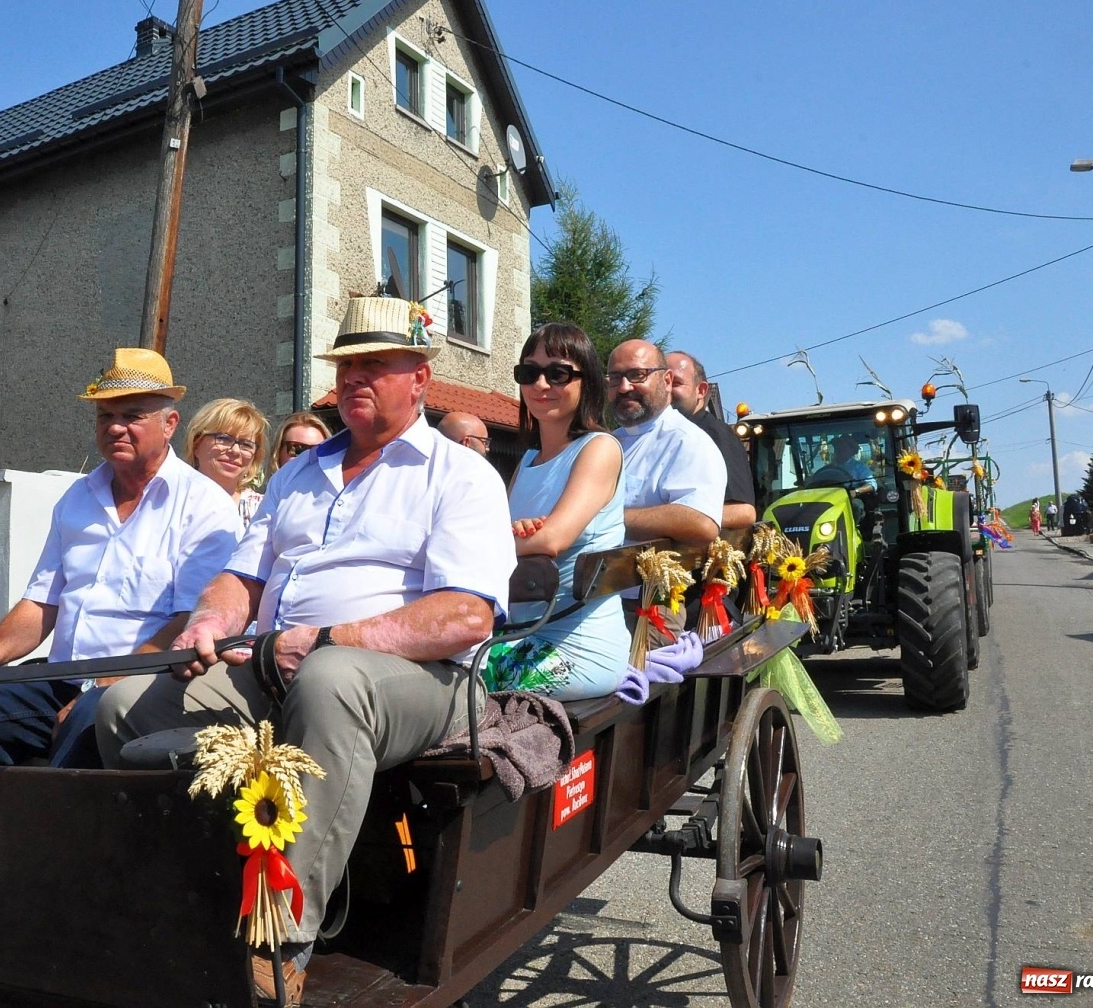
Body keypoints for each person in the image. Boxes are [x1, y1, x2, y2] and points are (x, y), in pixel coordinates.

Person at [94, 295, 514, 1002]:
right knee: (124, 705)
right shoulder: (297, 473)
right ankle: (183, 900)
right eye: (346, 365)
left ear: (419, 377)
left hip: (423, 682)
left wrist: (327, 638)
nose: (355, 379)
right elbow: (241, 578)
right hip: (277, 666)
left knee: (331, 679)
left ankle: (280, 942)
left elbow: (465, 614)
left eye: (374, 365)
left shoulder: (459, 474)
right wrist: (209, 620)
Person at [0, 349, 240, 768]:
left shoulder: (204, 505)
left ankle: (46, 832)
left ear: (169, 424)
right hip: (63, 679)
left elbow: (188, 622)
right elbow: (42, 602)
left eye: (133, 415)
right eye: (105, 417)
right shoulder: (77, 498)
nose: (116, 428)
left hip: (145, 685)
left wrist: (103, 684)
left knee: (91, 717)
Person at [489, 323, 630, 699]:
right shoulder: (529, 460)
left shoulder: (599, 448)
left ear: (588, 383)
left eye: (558, 373)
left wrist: (483, 540)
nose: (540, 384)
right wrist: (512, 532)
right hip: (516, 635)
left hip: (576, 647)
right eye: (529, 372)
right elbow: (508, 535)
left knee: (442, 680)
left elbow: (552, 539)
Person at [606, 339, 726, 544]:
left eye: (637, 375)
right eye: (615, 378)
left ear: (667, 381)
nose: (624, 387)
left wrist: (603, 520)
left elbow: (701, 523)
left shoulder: (686, 442)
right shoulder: (609, 442)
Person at [667, 350, 756, 529]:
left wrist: (664, 521)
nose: (667, 390)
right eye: (663, 383)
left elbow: (742, 512)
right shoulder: (660, 435)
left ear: (701, 390)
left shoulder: (715, 436)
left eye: (676, 383)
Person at [186, 397, 269, 532]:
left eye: (246, 444)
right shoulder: (169, 501)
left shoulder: (263, 511)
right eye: (223, 439)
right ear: (196, 444)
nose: (235, 451)